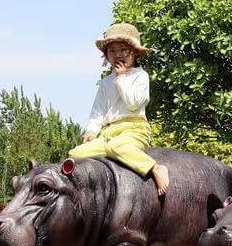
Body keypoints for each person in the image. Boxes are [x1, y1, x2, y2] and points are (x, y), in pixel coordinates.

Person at [68, 22, 170, 196]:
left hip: (134, 130)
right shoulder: (105, 83)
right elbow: (98, 111)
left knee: (116, 147)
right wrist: (92, 130)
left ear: (135, 52)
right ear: (106, 56)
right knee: (76, 153)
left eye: (123, 50)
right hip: (108, 134)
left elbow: (133, 103)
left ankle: (155, 167)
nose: (118, 55)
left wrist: (122, 78)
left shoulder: (140, 76)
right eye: (112, 51)